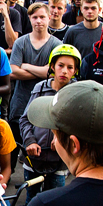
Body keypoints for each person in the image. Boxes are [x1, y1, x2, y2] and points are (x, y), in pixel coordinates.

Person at [19, 45, 80, 198]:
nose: (64, 71)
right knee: (31, 200)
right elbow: (26, 119)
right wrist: (30, 141)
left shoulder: (77, 93)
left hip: (59, 161)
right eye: (60, 65)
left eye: (70, 67)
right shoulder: (40, 88)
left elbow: (78, 126)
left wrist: (62, 138)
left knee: (55, 201)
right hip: (34, 159)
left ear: (75, 71)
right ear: (52, 66)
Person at [7, 2, 55, 126]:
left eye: (42, 17)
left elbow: (53, 73)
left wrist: (26, 66)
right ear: (29, 19)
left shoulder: (56, 44)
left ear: (49, 18)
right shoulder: (20, 42)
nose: (38, 21)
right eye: (34, 17)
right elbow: (12, 72)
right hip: (20, 102)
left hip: (45, 102)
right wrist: (43, 72)